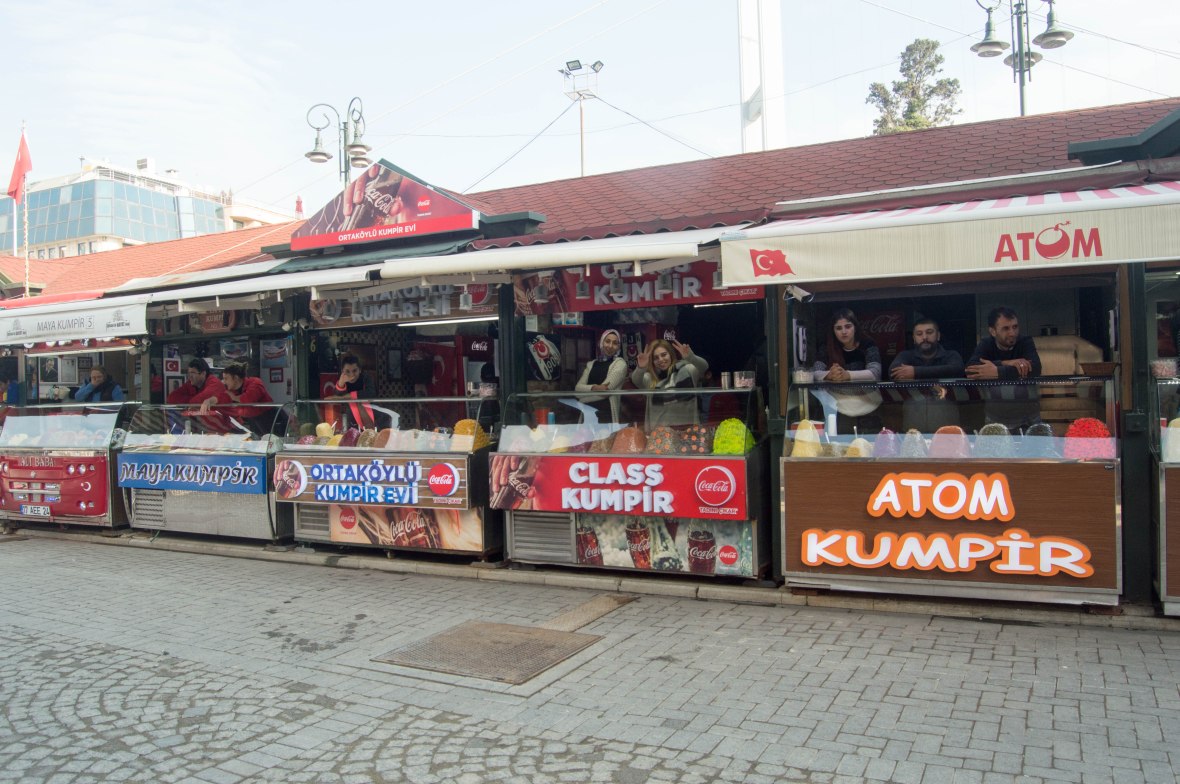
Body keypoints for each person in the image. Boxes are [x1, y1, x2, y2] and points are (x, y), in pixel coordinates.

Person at [966, 306, 1043, 430]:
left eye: (1015, 327)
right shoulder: (986, 344)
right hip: (995, 417)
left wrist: (997, 372)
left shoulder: (1025, 341)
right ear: (993, 331)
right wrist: (1006, 363)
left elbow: (1036, 368)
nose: (1012, 333)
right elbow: (971, 369)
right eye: (1006, 328)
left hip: (1028, 416)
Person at [813, 307, 883, 435]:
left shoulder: (868, 344)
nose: (844, 332)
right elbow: (816, 373)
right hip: (839, 408)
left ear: (855, 327)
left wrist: (848, 375)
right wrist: (830, 375)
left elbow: (875, 373)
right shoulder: (826, 347)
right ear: (833, 331)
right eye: (838, 328)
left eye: (848, 326)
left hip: (868, 406)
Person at [889, 318, 964, 432]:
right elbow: (893, 372)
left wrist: (915, 372)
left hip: (946, 421)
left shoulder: (951, 355)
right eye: (919, 334)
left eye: (929, 332)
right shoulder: (906, 356)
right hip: (913, 420)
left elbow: (957, 369)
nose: (924, 337)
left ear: (938, 336)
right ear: (914, 338)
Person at [631, 338, 708, 427]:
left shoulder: (687, 370)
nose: (660, 359)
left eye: (664, 355)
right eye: (656, 358)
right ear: (652, 361)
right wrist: (641, 368)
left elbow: (704, 367)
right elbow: (636, 380)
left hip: (687, 432)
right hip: (659, 435)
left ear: (670, 354)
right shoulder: (650, 379)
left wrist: (691, 357)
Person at [200, 363, 277, 432]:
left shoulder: (255, 382)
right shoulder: (230, 390)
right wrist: (209, 401)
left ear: (236, 378)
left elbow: (249, 399)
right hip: (252, 421)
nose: (224, 382)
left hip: (271, 418)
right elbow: (220, 397)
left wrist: (233, 397)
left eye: (226, 378)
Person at [575, 329, 627, 423]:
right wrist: (595, 387)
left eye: (615, 343)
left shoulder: (620, 364)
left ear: (618, 346)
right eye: (607, 341)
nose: (610, 346)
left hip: (606, 417)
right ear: (601, 342)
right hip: (587, 416)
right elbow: (577, 390)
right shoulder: (591, 364)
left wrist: (583, 400)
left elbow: (604, 392)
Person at [326, 353, 378, 429]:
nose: (352, 375)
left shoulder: (366, 377)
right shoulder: (343, 379)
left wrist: (347, 396)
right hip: (349, 417)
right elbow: (335, 399)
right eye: (347, 371)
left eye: (355, 371)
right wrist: (341, 384)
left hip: (368, 417)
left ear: (360, 370)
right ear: (342, 371)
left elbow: (371, 393)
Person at [166, 358, 230, 407]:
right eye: (189, 373)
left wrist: (191, 399)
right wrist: (192, 398)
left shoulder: (215, 384)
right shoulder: (192, 383)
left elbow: (196, 402)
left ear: (203, 373)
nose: (189, 376)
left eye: (193, 373)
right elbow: (171, 398)